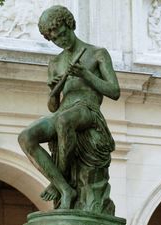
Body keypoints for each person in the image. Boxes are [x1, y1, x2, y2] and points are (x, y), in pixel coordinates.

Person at [18, 5, 119, 210]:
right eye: (54, 39)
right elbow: (53, 107)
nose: (60, 40)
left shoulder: (97, 53)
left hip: (88, 109)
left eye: (62, 34)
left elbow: (114, 91)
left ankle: (60, 178)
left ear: (70, 25)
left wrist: (85, 74)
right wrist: (54, 91)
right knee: (26, 137)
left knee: (64, 121)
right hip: (64, 110)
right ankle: (64, 188)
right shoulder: (55, 63)